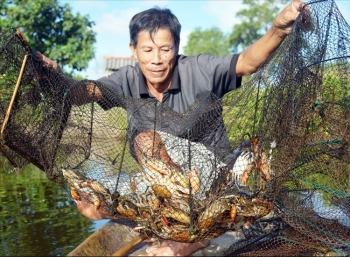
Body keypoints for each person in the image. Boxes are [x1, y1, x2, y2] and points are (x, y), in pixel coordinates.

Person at [39, 1, 304, 256]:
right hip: (164, 184)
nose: (156, 60)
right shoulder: (127, 78)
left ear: (176, 47)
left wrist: (278, 28)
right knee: (89, 204)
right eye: (147, 50)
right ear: (133, 50)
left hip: (211, 180)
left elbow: (247, 62)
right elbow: (86, 91)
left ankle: (191, 237)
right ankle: (168, 218)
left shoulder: (198, 69)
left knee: (145, 141)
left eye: (165, 49)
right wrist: (56, 79)